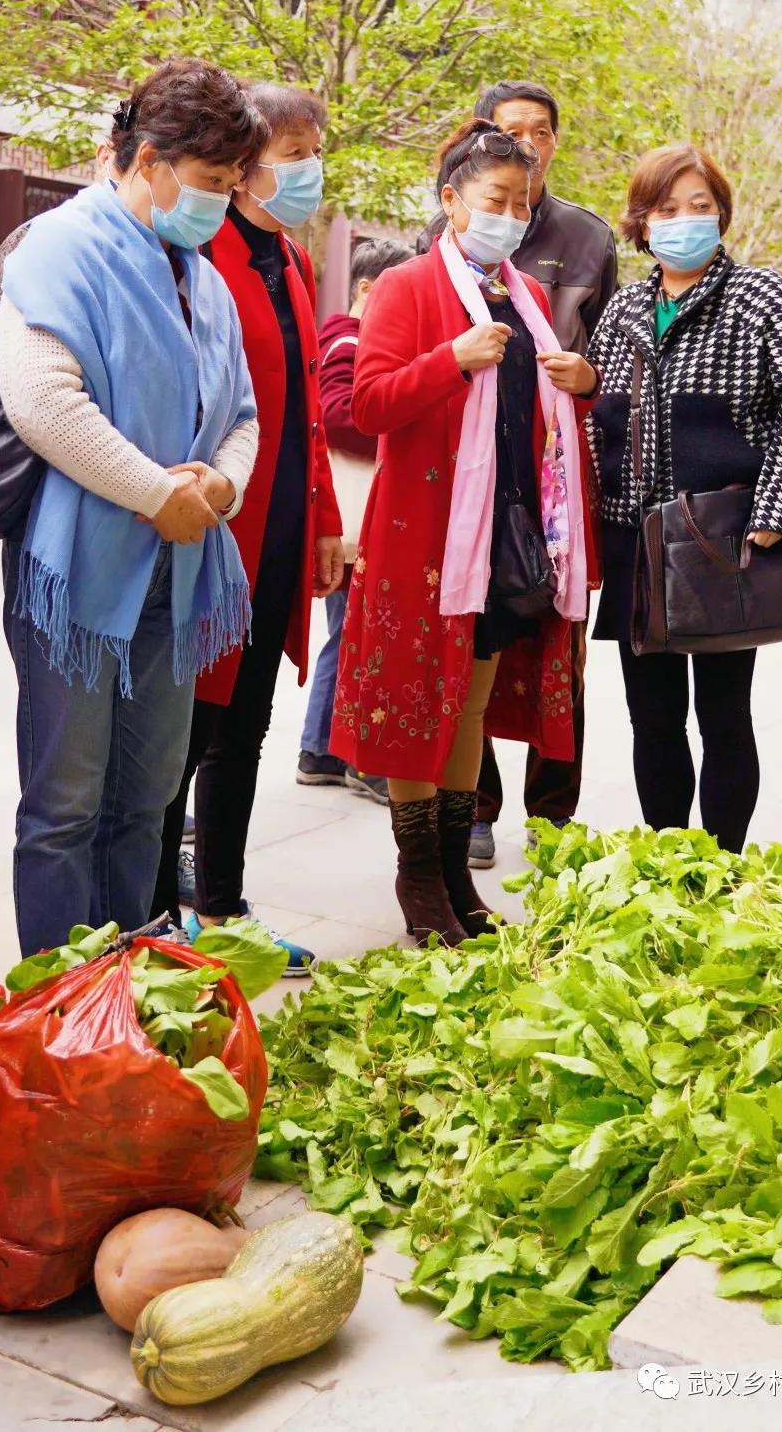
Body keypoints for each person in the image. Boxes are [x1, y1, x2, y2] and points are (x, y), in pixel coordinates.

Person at [0, 59, 266, 957]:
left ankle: (127, 992)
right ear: (148, 160)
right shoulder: (60, 245)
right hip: (78, 569)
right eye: (211, 183)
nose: (220, 203)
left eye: (231, 186)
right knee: (65, 805)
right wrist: (159, 493)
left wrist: (217, 487)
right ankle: (56, 1009)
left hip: (178, 567)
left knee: (144, 801)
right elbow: (45, 401)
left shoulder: (202, 275)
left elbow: (242, 415)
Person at [332, 121, 596, 946]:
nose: (510, 215)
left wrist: (578, 384)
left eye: (522, 201)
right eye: (495, 199)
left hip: (505, 540)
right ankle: (419, 876)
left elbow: (536, 419)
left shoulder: (530, 298)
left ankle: (452, 871)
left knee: (468, 707)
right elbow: (367, 404)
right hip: (424, 537)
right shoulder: (409, 287)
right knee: (418, 706)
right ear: (451, 200)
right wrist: (451, 358)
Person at [586, 142, 782, 853]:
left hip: (723, 540)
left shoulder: (761, 297)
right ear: (642, 222)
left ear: (722, 214)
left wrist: (775, 507)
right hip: (635, 540)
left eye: (701, 206)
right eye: (668, 209)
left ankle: (723, 862)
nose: (686, 221)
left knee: (724, 711)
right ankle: (671, 861)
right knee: (652, 716)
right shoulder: (626, 309)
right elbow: (594, 417)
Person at [152, 82, 343, 973]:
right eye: (293, 150)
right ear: (245, 162)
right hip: (213, 522)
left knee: (247, 725)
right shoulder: (201, 248)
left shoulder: (293, 262)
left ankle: (223, 908)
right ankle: (158, 913)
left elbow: (305, 405)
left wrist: (329, 523)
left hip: (278, 528)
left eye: (314, 148)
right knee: (183, 728)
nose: (307, 167)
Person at [420, 79, 617, 868]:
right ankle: (477, 809)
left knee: (554, 651)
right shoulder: (441, 237)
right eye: (511, 130)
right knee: (477, 641)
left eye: (539, 132)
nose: (526, 144)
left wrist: (588, 378)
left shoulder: (586, 238)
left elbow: (617, 355)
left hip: (553, 483)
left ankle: (553, 816)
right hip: (471, 481)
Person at [296, 235, 411, 803]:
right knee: (355, 638)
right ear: (368, 288)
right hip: (352, 522)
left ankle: (320, 748)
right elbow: (340, 416)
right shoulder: (347, 340)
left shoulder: (354, 339)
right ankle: (352, 757)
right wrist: (400, 422)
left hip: (351, 521)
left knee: (345, 637)